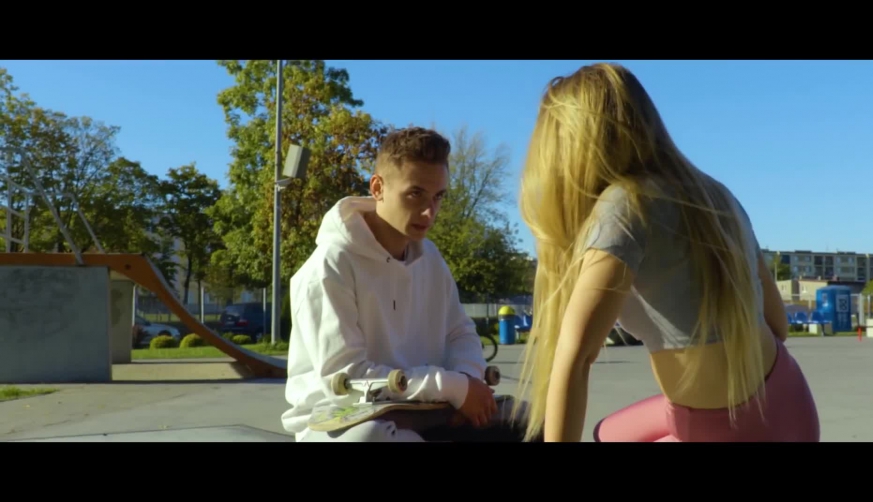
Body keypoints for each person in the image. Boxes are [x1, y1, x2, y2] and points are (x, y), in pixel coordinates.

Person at [511, 63, 820, 442]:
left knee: (605, 435)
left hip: (719, 431)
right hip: (789, 402)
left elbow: (574, 360)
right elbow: (778, 327)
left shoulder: (624, 207)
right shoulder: (718, 196)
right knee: (609, 433)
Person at [281, 126, 532, 442]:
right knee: (369, 438)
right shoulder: (330, 266)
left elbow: (459, 332)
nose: (429, 212)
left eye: (438, 197)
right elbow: (347, 380)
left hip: (428, 409)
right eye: (415, 194)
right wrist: (453, 387)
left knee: (527, 419)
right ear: (378, 188)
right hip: (342, 418)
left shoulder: (430, 257)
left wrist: (467, 381)